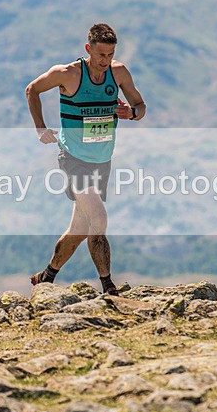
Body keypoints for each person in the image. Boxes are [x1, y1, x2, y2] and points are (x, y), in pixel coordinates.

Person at [26, 23, 147, 295]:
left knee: (79, 228)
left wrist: (132, 114)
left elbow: (140, 105)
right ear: (88, 48)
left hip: (102, 161)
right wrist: (40, 128)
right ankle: (108, 286)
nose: (106, 61)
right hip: (73, 159)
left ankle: (46, 276)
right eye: (101, 54)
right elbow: (32, 90)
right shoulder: (67, 74)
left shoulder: (118, 73)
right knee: (99, 218)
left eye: (111, 54)